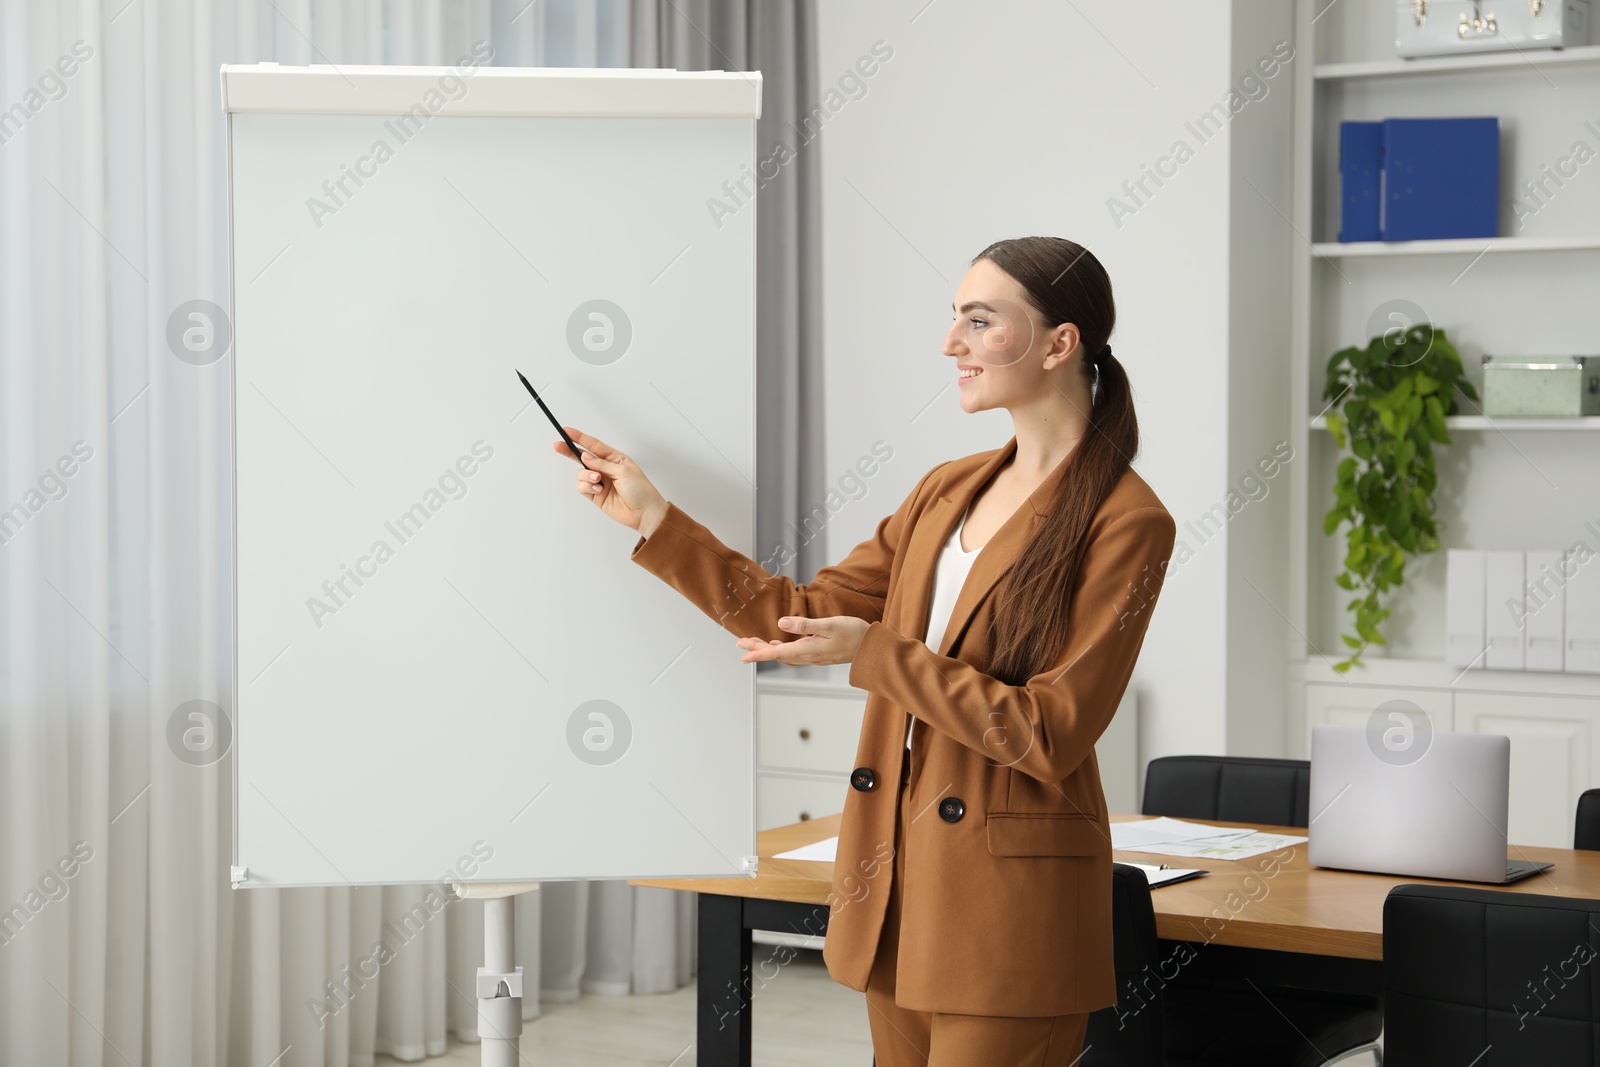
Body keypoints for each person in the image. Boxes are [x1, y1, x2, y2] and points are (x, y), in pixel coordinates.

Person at [555, 235, 1176, 1066]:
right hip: (901, 884)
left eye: (980, 321)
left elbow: (1050, 729)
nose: (950, 343)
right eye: (954, 318)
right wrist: (656, 521)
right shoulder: (946, 489)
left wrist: (877, 653)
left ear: (1061, 343)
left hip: (1008, 912)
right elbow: (798, 614)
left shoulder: (1128, 521)